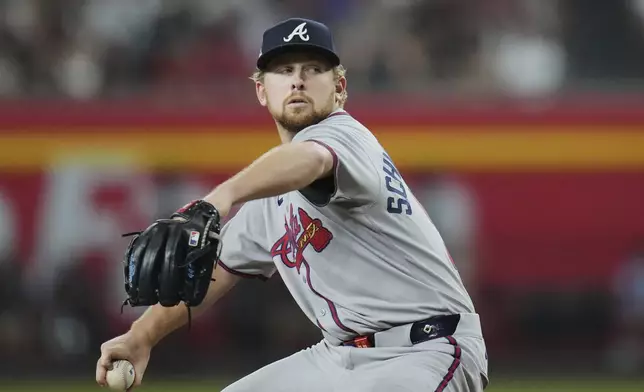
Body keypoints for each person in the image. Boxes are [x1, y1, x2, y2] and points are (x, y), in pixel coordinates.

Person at [96, 17, 489, 391]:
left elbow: (312, 159)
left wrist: (219, 198)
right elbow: (213, 271)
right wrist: (140, 336)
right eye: (283, 71)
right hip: (338, 356)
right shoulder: (270, 197)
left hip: (424, 349)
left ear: (340, 88)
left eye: (313, 69)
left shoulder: (347, 136)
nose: (298, 80)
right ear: (262, 91)